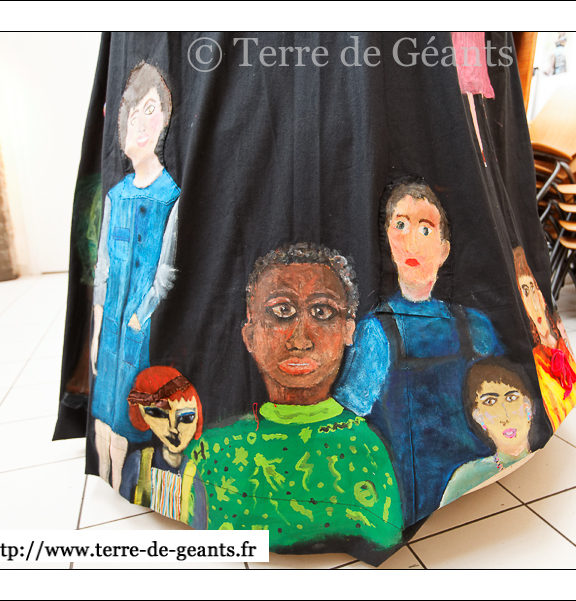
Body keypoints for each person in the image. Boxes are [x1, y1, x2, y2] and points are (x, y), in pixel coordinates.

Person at [185, 243, 403, 557]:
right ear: (250, 335)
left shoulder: (366, 449)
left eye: (322, 312)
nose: (300, 340)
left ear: (348, 331)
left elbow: (385, 540)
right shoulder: (212, 450)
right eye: (281, 311)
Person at [335, 176, 503, 526]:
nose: (411, 241)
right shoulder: (375, 333)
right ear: (388, 241)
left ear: (444, 250)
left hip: (476, 486)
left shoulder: (475, 327)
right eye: (400, 225)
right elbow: (349, 426)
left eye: (425, 229)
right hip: (406, 494)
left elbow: (502, 400)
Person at [90, 62, 181, 491]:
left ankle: (130, 487)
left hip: (136, 329)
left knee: (129, 420)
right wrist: (97, 330)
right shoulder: (116, 195)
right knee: (102, 414)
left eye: (151, 111)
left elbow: (165, 272)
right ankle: (106, 479)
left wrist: (139, 318)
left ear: (164, 120)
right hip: (109, 324)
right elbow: (103, 266)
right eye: (133, 114)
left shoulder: (170, 196)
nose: (140, 124)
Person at [440, 357, 540, 506]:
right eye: (490, 402)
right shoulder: (465, 478)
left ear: (528, 407)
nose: (505, 415)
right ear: (479, 417)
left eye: (511, 398)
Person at [120, 366, 207, 528]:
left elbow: (200, 521)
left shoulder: (193, 473)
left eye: (186, 417)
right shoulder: (138, 462)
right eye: (158, 414)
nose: (173, 428)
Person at [513, 246, 576, 430]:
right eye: (525, 292)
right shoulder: (535, 358)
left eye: (533, 289)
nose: (534, 301)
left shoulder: (557, 339)